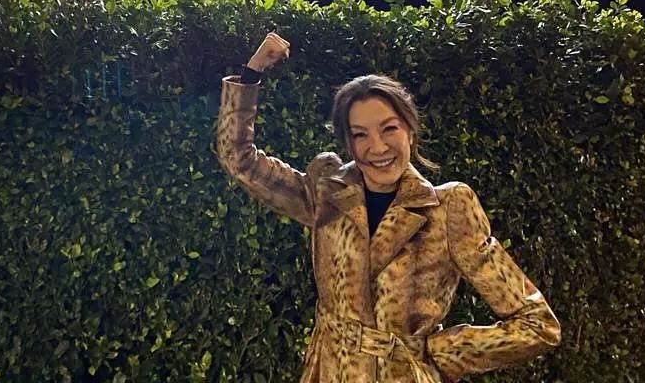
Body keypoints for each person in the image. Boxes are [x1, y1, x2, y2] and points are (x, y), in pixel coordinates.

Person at [216, 33, 561, 383]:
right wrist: (252, 72)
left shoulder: (447, 209)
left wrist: (437, 352)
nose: (377, 147)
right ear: (348, 143)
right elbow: (239, 159)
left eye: (389, 128)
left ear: (410, 130)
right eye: (360, 134)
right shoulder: (328, 192)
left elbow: (538, 325)